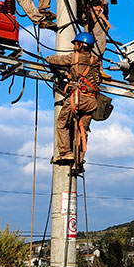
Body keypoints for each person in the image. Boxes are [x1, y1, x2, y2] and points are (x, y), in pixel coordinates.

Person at [46, 31, 100, 167]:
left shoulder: (75, 57)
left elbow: (56, 60)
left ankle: (65, 152)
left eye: (76, 44)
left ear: (82, 45)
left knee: (62, 122)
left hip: (79, 98)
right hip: (92, 101)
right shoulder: (95, 61)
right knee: (82, 130)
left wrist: (48, 59)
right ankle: (79, 161)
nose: (75, 46)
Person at [80, 0, 118, 72]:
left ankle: (84, 67)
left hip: (85, 12)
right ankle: (96, 69)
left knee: (86, 41)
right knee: (99, 40)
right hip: (97, 11)